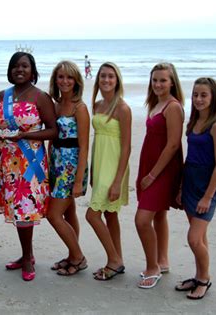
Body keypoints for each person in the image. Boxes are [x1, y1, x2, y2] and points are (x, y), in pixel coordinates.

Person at [0, 52, 58, 281]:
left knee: (24, 209)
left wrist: (27, 135)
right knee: (17, 209)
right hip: (6, 162)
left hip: (30, 163)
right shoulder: (1, 96)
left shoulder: (41, 97)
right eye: (15, 66)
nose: (20, 70)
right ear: (10, 70)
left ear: (33, 70)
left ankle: (27, 258)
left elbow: (53, 130)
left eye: (25, 66)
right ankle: (27, 254)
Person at [174, 77, 216, 299]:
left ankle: (204, 280)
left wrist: (207, 197)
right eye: (195, 94)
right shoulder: (193, 123)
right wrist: (180, 187)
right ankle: (199, 276)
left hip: (206, 188)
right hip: (190, 184)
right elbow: (189, 159)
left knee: (194, 239)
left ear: (213, 97)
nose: (198, 99)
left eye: (204, 95)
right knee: (201, 239)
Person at [135, 63, 184, 289]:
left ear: (172, 82)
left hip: (163, 170)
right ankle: (162, 261)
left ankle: (152, 267)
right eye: (155, 80)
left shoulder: (173, 107)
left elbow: (173, 144)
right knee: (159, 215)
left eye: (163, 80)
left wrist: (153, 175)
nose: (158, 84)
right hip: (150, 165)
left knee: (142, 219)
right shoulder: (155, 104)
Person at [86, 62, 131, 280]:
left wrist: (117, 181)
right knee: (110, 215)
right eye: (103, 76)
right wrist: (93, 169)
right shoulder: (96, 105)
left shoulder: (122, 108)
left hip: (114, 167)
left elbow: (127, 146)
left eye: (111, 76)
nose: (106, 80)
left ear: (117, 80)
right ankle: (118, 259)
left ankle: (113, 260)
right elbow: (96, 141)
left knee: (92, 215)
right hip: (100, 163)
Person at [46, 60, 89, 276]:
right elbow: (52, 138)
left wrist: (79, 179)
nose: (65, 81)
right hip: (55, 162)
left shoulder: (80, 108)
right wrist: (47, 165)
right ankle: (73, 254)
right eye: (61, 77)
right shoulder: (54, 106)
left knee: (53, 214)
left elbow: (84, 146)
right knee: (69, 212)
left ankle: (79, 257)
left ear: (76, 81)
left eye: (69, 77)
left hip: (71, 165)